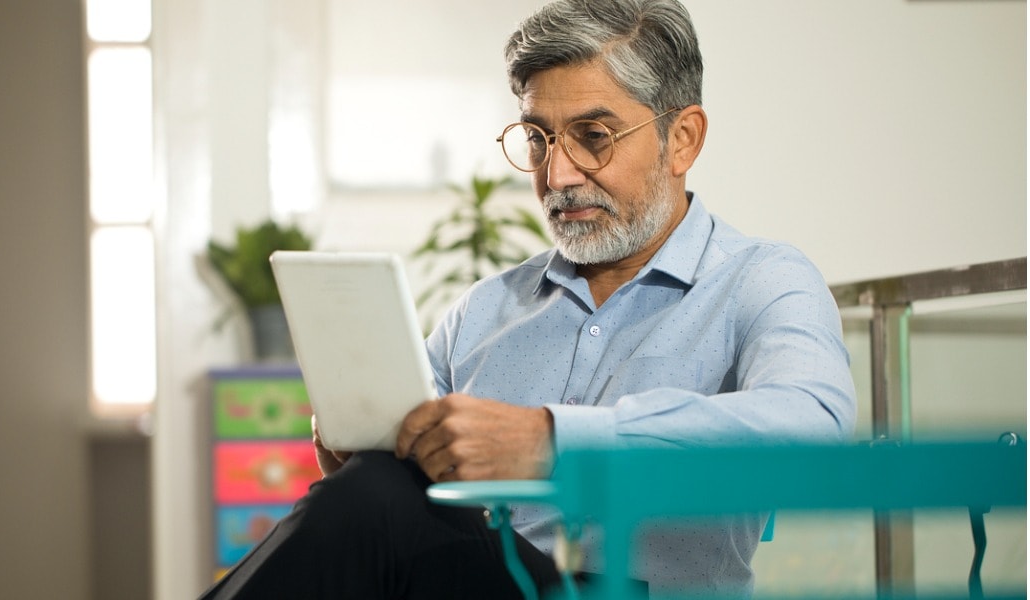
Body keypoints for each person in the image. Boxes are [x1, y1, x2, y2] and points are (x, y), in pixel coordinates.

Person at [200, 0, 856, 597]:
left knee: (375, 501)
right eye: (539, 139)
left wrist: (550, 442)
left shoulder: (762, 279)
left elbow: (815, 435)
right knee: (373, 489)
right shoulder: (481, 313)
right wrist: (363, 443)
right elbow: (395, 499)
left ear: (681, 139)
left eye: (593, 137)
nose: (557, 175)